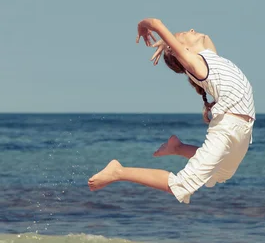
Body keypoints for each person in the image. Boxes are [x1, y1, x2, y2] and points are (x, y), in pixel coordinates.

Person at [88, 18, 255, 204]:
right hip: (227, 127)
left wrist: (170, 42)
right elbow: (155, 23)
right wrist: (146, 28)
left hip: (244, 130)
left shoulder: (210, 57)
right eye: (184, 34)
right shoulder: (196, 65)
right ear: (184, 53)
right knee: (182, 186)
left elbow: (206, 39)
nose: (191, 29)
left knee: (223, 172)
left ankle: (178, 148)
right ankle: (118, 171)